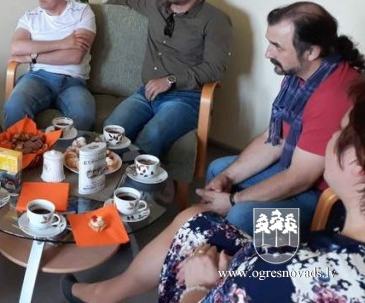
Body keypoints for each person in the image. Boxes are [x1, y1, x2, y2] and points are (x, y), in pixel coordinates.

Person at [61, 77, 365, 303]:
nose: (332, 137)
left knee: (237, 217)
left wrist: (200, 286)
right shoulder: (340, 235)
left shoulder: (320, 276)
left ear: (358, 165)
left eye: (340, 132)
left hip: (296, 215)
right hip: (291, 251)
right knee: (197, 215)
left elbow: (298, 179)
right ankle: (107, 292)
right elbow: (275, 140)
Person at [197, 2, 364, 234]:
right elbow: (276, 139)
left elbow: (301, 178)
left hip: (324, 198)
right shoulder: (300, 73)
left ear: (312, 52)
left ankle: (252, 255)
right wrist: (228, 177)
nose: (268, 53)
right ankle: (209, 240)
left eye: (277, 46)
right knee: (219, 170)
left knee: (242, 214)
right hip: (296, 167)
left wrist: (233, 200)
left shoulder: (333, 96)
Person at [104, 0, 232, 158]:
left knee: (151, 137)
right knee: (111, 130)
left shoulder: (215, 20)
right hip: (146, 93)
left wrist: (170, 80)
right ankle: (108, 176)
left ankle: (137, 178)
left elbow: (215, 69)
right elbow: (117, 2)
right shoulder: (156, 2)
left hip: (185, 98)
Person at [3, 0, 96, 130]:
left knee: (84, 114)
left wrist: (31, 57)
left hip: (73, 82)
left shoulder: (82, 12)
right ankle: (21, 148)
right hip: (37, 78)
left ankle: (63, 148)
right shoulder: (30, 17)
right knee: (14, 107)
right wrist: (62, 43)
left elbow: (75, 56)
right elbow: (16, 47)